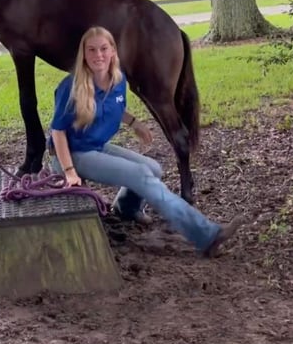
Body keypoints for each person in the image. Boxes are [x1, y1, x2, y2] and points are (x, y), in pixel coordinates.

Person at [47, 26, 242, 257]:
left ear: (112, 52)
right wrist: (69, 172)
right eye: (91, 50)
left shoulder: (118, 80)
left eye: (103, 49)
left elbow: (111, 106)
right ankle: (206, 235)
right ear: (84, 54)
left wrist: (134, 123)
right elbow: (57, 132)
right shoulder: (70, 87)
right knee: (141, 175)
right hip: (71, 154)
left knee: (153, 168)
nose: (98, 55)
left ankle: (126, 208)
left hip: (95, 146)